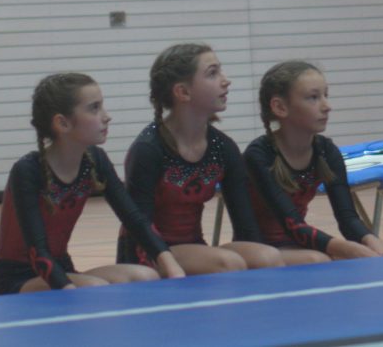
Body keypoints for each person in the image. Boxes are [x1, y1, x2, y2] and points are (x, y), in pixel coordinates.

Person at [0, 73, 184, 294]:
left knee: (146, 276)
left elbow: (134, 219)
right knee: (93, 288)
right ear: (62, 123)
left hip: (61, 268)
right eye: (94, 108)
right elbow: (38, 250)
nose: (106, 116)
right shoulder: (27, 171)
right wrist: (69, 291)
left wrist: (171, 265)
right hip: (17, 279)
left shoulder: (95, 160)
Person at [119, 43, 285, 273]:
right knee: (229, 263)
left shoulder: (222, 148)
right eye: (212, 73)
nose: (226, 80)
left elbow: (245, 225)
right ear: (183, 92)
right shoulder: (149, 149)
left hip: (193, 248)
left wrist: (257, 265)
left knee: (267, 256)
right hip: (149, 251)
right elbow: (139, 228)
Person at [245, 60, 383, 263]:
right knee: (320, 259)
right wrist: (347, 248)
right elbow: (292, 224)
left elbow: (348, 218)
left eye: (326, 95)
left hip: (299, 244)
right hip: (258, 249)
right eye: (313, 98)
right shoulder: (259, 155)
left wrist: (372, 241)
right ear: (280, 107)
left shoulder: (326, 151)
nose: (327, 106)